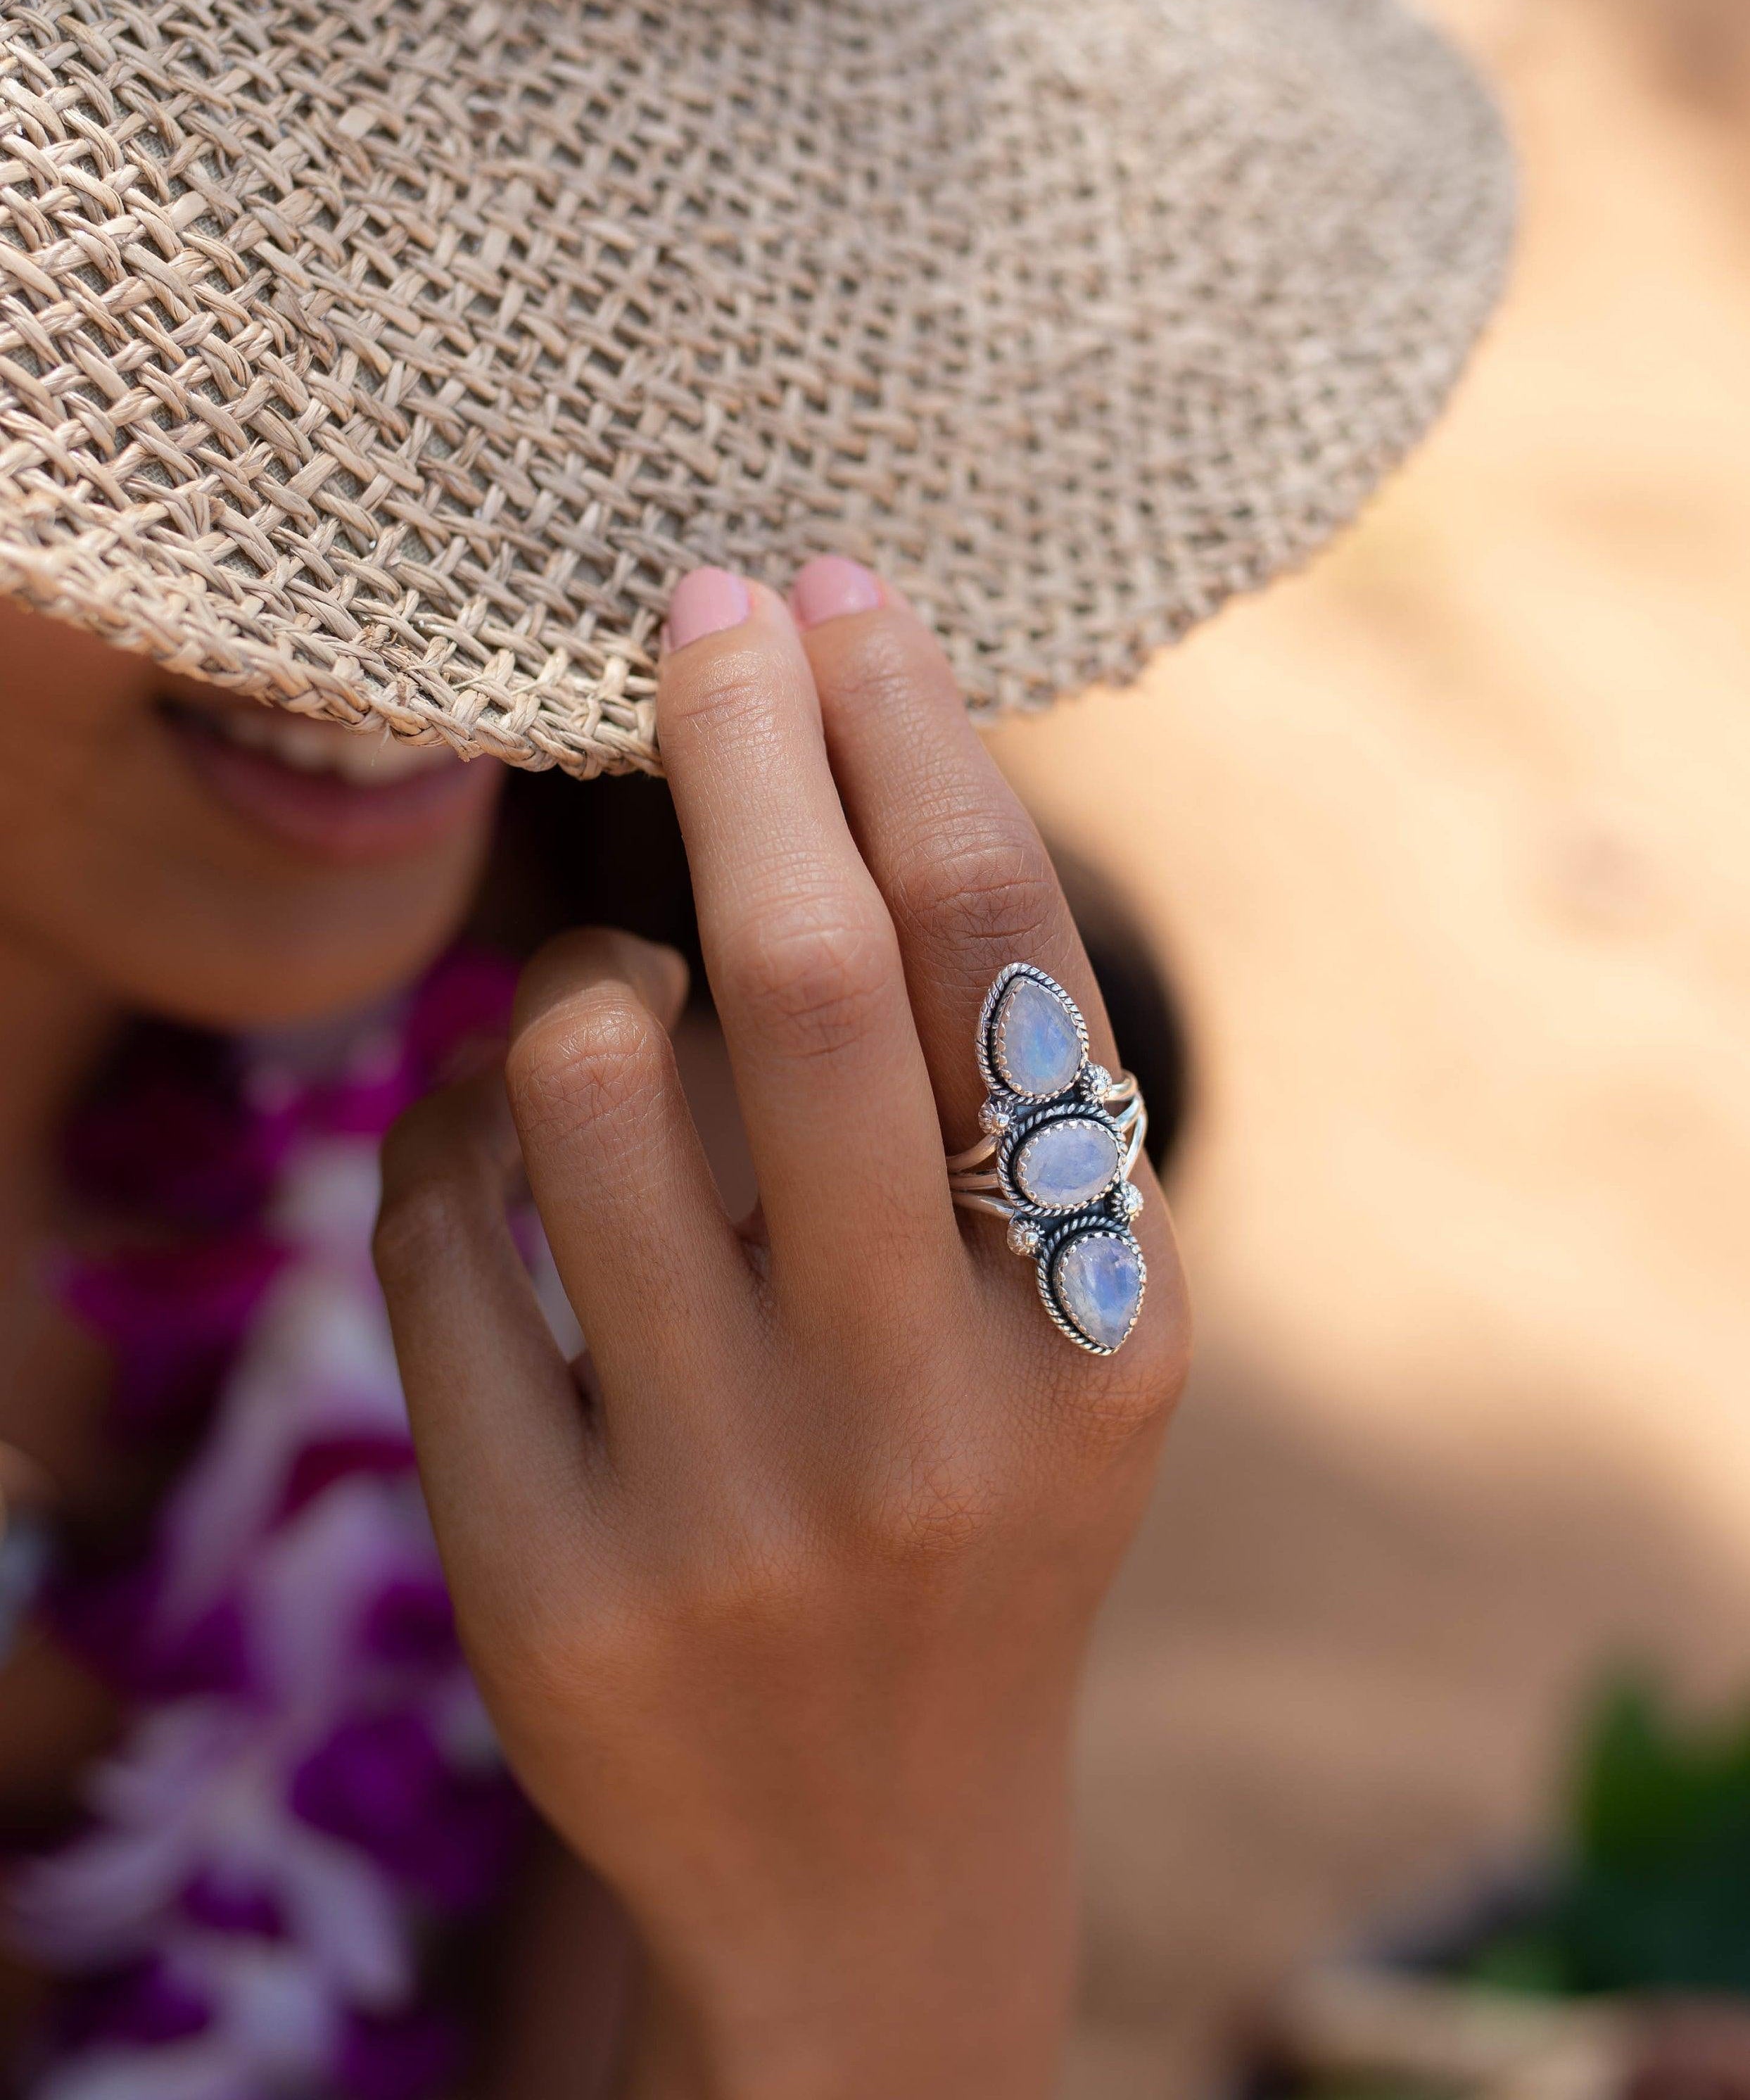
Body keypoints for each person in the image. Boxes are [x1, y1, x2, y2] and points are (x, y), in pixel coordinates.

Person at [0, 2, 1511, 2092]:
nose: (462, 538)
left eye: (598, 321)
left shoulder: (692, 1177)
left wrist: (881, 1854)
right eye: (228, 316)